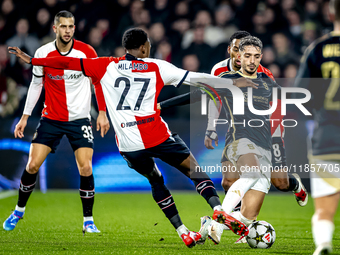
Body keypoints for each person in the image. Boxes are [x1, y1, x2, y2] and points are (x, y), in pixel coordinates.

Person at [8, 28, 257, 248]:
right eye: (148, 43)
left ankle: (183, 232)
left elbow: (67, 64)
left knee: (156, 180)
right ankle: (216, 209)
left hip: (129, 144)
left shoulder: (105, 65)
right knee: (195, 171)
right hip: (157, 134)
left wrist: (34, 60)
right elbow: (198, 79)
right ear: (143, 47)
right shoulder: (159, 67)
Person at [159, 31, 308, 214]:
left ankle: (295, 185)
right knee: (228, 182)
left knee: (280, 182)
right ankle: (236, 219)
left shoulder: (263, 75)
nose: (240, 55)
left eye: (245, 52)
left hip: (268, 130)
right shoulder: (220, 71)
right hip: (238, 131)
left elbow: (277, 106)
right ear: (231, 49)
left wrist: (276, 136)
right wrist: (211, 127)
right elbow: (210, 95)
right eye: (237, 50)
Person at [3, 11, 110, 234]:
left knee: (86, 167)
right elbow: (35, 85)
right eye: (63, 27)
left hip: (79, 119)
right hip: (50, 118)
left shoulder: (86, 51)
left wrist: (101, 112)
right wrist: (24, 117)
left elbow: (97, 82)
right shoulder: (43, 52)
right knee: (32, 165)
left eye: (71, 26)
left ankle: (88, 221)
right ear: (55, 29)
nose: (68, 30)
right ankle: (18, 211)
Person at [294, 0, 340, 253]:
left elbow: (301, 98)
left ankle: (323, 244)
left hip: (328, 138)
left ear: (331, 13)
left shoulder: (318, 49)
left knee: (324, 209)